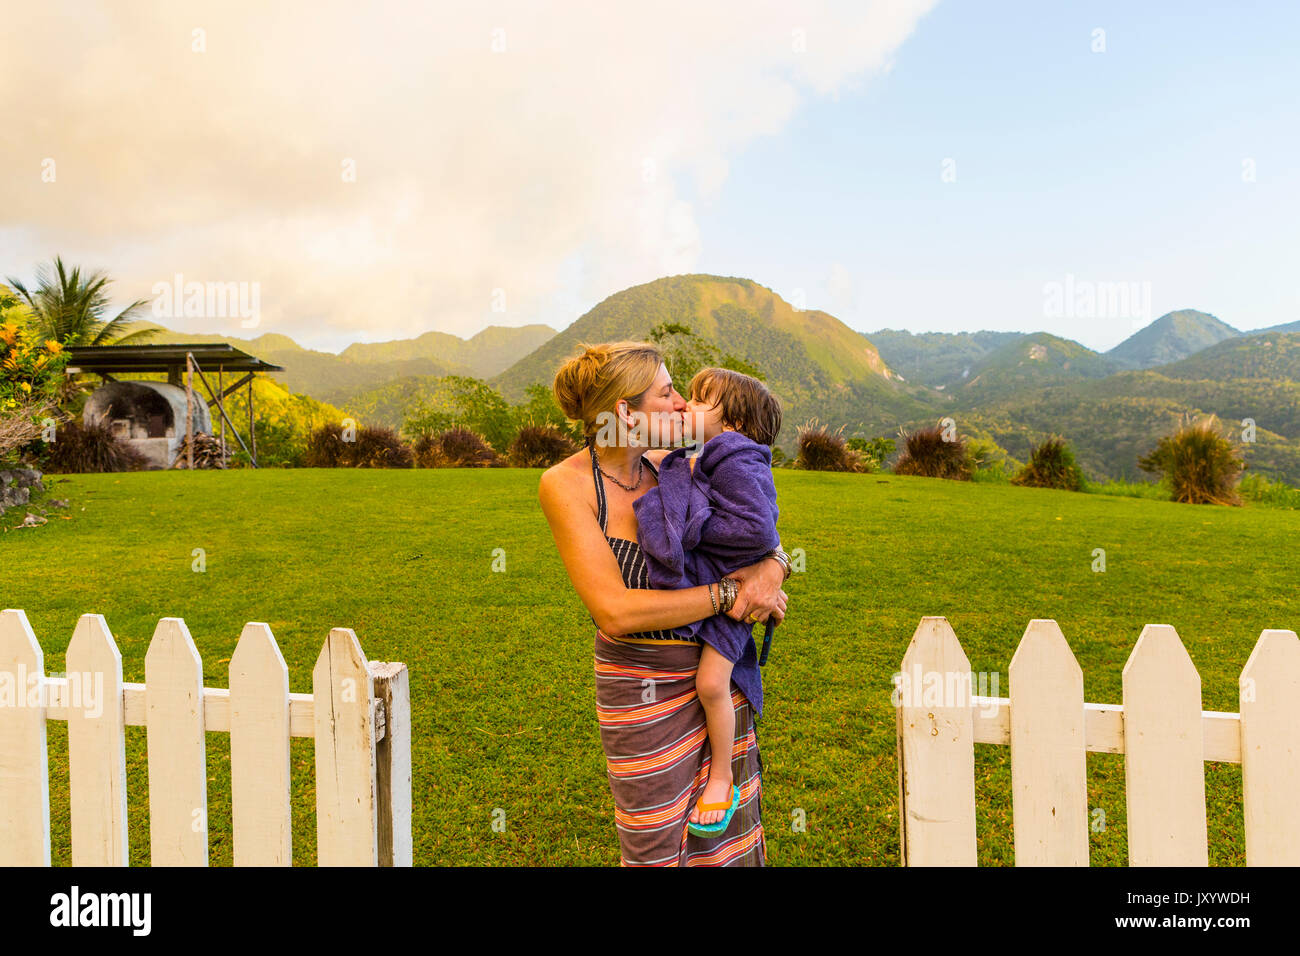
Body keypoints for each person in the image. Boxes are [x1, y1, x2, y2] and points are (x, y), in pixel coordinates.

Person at [538, 340, 789, 866]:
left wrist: (774, 566)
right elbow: (616, 611)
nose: (681, 403)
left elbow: (753, 520)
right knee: (652, 842)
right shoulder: (566, 485)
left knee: (726, 842)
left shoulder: (677, 462)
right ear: (626, 413)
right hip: (640, 691)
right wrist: (728, 595)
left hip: (716, 678)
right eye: (668, 392)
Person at [632, 367, 784, 833]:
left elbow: (758, 528)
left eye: (700, 400)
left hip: (730, 593)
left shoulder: (736, 459)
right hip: (721, 585)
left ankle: (721, 778)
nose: (686, 406)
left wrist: (693, 530)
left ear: (733, 424)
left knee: (712, 685)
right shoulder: (701, 453)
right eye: (685, 395)